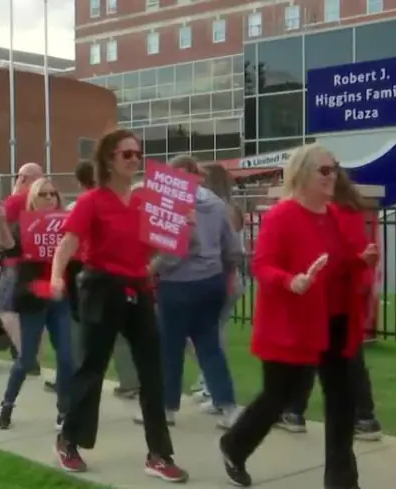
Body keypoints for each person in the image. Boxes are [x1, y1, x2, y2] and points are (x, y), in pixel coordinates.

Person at [219, 144, 378, 488]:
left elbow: (336, 263)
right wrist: (291, 281)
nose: (332, 175)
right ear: (302, 174)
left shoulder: (334, 215)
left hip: (335, 321)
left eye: (334, 168)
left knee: (342, 400)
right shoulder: (281, 216)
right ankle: (234, 445)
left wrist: (359, 260)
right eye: (324, 170)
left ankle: (341, 480)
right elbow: (261, 265)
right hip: (294, 325)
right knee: (278, 398)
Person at [48, 128, 187, 482]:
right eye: (127, 154)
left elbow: (155, 250)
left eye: (138, 154)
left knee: (152, 371)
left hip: (138, 289)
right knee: (92, 368)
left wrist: (178, 229)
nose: (135, 160)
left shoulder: (144, 203)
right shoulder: (92, 201)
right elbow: (68, 243)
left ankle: (159, 453)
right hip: (101, 286)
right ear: (109, 160)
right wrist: (56, 277)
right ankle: (68, 440)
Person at [278, 170, 383, 441]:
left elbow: (329, 256)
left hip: (328, 293)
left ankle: (295, 411)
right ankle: (364, 416)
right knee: (346, 356)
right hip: (348, 292)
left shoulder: (328, 213)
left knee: (311, 355)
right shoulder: (350, 210)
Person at [143, 155, 242, 429]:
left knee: (170, 348)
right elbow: (232, 249)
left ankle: (166, 409)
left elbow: (172, 254)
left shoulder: (172, 205)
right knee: (210, 347)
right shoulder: (217, 203)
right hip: (211, 282)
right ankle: (228, 407)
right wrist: (227, 276)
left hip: (177, 284)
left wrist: (151, 268)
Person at [0, 178, 74, 430]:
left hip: (60, 298)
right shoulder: (24, 226)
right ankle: (7, 403)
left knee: (67, 356)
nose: (50, 198)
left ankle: (64, 410)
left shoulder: (67, 225)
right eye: (44, 194)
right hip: (34, 298)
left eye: (54, 194)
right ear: (33, 199)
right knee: (27, 359)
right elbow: (10, 248)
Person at [71, 158, 141, 400]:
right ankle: (129, 381)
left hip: (89, 278)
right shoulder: (120, 202)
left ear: (80, 181)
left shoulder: (82, 204)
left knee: (86, 337)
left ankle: (80, 385)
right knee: (120, 335)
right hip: (121, 278)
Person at [190, 163, 246, 404]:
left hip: (221, 279)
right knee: (208, 334)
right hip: (225, 279)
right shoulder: (228, 208)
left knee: (206, 336)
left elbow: (228, 250)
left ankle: (212, 386)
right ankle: (208, 380)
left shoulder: (220, 210)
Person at [0, 162, 45, 375]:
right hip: (41, 264)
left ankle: (27, 356)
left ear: (22, 179)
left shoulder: (15, 201)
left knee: (4, 307)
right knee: (35, 311)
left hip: (16, 263)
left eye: (18, 177)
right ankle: (36, 356)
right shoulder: (48, 200)